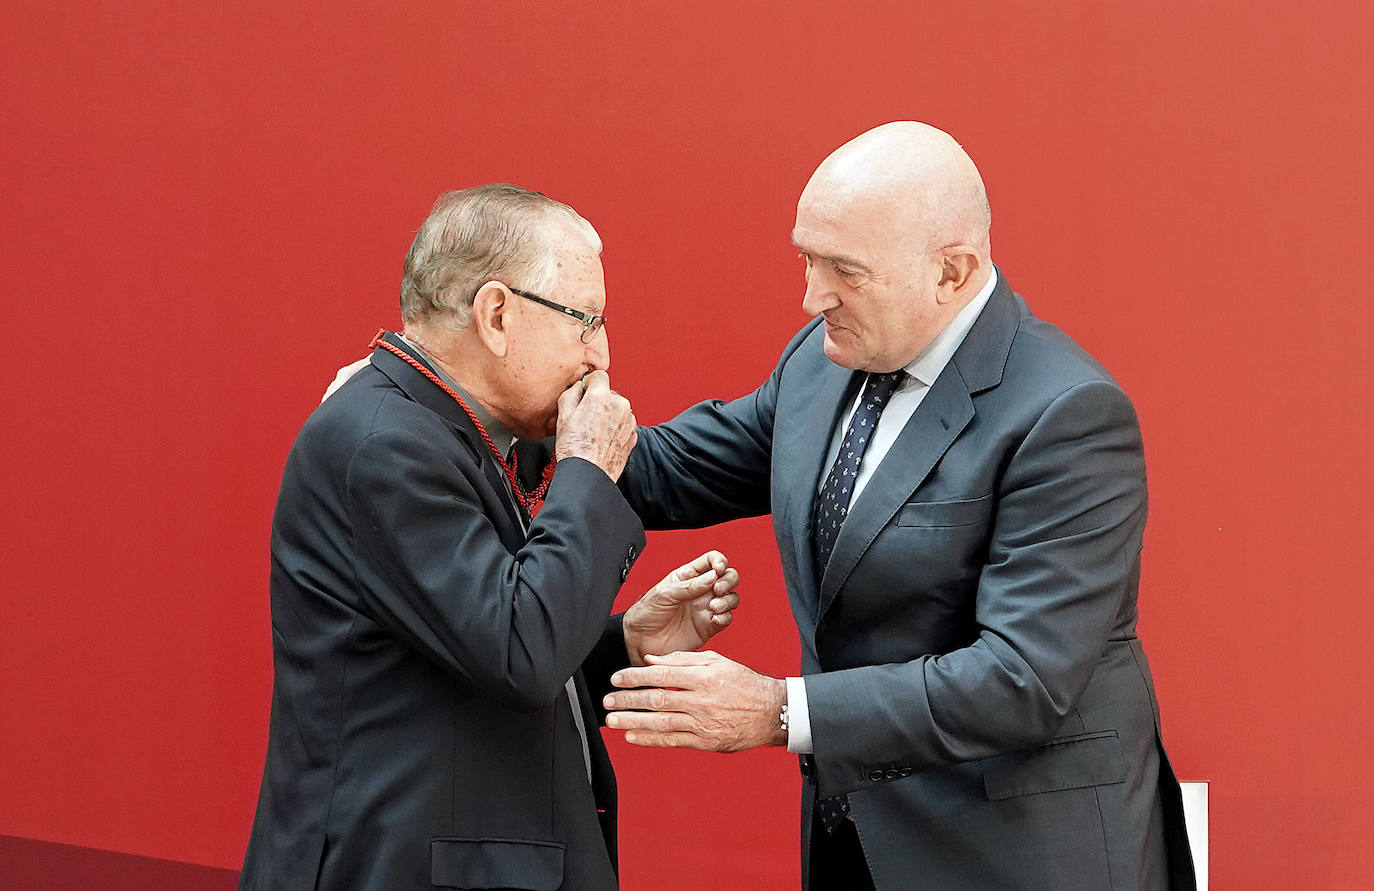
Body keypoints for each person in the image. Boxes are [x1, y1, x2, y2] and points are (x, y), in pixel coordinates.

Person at [604, 123, 1196, 890]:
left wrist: (778, 710)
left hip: (1014, 856)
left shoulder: (1067, 414)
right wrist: (509, 408)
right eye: (806, 258)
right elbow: (670, 469)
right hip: (857, 843)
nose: (812, 295)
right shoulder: (822, 360)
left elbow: (1021, 680)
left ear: (953, 272)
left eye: (844, 269)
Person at [240, 184, 742, 891]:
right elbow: (519, 651)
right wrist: (587, 470)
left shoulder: (439, 432)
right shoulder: (386, 444)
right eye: (586, 320)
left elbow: (461, 664)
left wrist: (624, 645)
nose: (601, 355)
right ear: (497, 314)